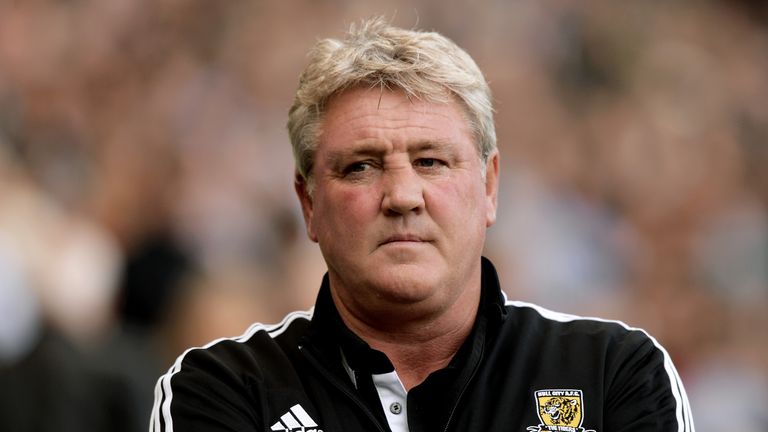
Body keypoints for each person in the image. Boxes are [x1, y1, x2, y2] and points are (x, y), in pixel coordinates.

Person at [150, 18, 694, 432]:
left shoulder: (613, 373)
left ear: (489, 187)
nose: (403, 196)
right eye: (360, 167)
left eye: (431, 161)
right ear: (309, 203)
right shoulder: (222, 389)